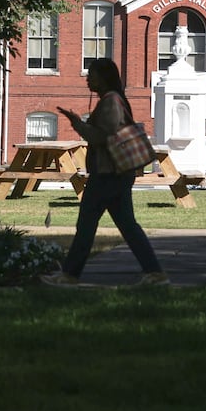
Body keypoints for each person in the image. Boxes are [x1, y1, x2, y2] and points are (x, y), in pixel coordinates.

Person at [41, 57, 169, 287]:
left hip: (108, 174)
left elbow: (102, 137)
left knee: (87, 224)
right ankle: (155, 272)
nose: (88, 78)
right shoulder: (112, 100)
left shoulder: (111, 101)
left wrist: (78, 124)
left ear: (104, 77)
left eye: (92, 74)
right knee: (127, 225)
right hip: (117, 174)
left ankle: (70, 275)